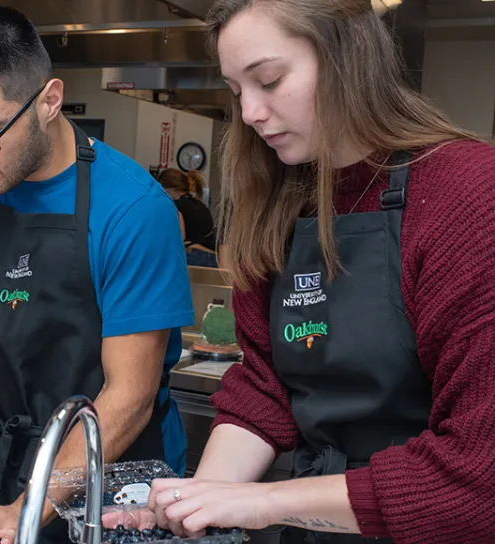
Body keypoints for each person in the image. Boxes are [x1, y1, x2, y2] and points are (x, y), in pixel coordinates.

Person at [146, 1, 495, 543]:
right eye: (238, 91)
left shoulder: (468, 195)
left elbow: (479, 476)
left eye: (269, 79)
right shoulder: (281, 201)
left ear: (347, 56)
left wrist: (261, 502)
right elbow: (266, 387)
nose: (250, 114)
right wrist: (195, 507)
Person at [0, 7, 195, 544]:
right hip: (19, 455)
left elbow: (130, 395)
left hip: (121, 482)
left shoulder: (132, 207)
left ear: (49, 101)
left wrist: (30, 507)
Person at [157, 168, 218, 268]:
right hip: (212, 258)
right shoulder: (198, 204)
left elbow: (180, 237)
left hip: (195, 256)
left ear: (172, 189)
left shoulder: (176, 206)